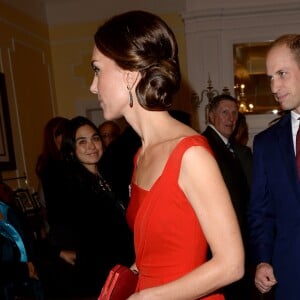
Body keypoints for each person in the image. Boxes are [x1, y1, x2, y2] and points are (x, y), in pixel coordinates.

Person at [90, 10, 244, 300]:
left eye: (97, 69)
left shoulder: (190, 154)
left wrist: (148, 297)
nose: (93, 85)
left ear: (130, 74)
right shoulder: (141, 154)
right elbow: (153, 251)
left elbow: (232, 265)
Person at [43, 116, 134, 299]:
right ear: (71, 150)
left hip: (123, 269)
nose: (91, 146)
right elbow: (90, 238)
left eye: (95, 138)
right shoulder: (72, 186)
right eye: (82, 142)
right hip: (98, 279)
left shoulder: (108, 176)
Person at [247, 34, 300, 300]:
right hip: (290, 278)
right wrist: (263, 260)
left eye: (282, 74)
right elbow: (261, 213)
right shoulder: (266, 143)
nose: (274, 86)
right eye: (270, 77)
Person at [202, 94, 253, 300]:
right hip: (220, 243)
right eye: (225, 112)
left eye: (234, 113)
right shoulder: (205, 144)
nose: (231, 118)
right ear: (211, 116)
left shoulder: (227, 146)